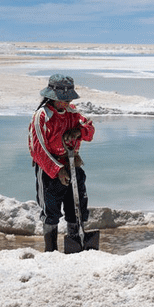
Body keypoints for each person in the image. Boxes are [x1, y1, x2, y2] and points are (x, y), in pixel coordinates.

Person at [29, 74, 96, 252]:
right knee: (50, 213)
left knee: (77, 209)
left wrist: (79, 131)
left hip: (73, 165)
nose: (65, 104)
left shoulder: (73, 113)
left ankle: (76, 247)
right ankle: (50, 251)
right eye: (62, 100)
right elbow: (37, 150)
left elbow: (89, 131)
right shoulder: (41, 116)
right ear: (51, 97)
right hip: (49, 171)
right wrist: (57, 170)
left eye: (68, 100)